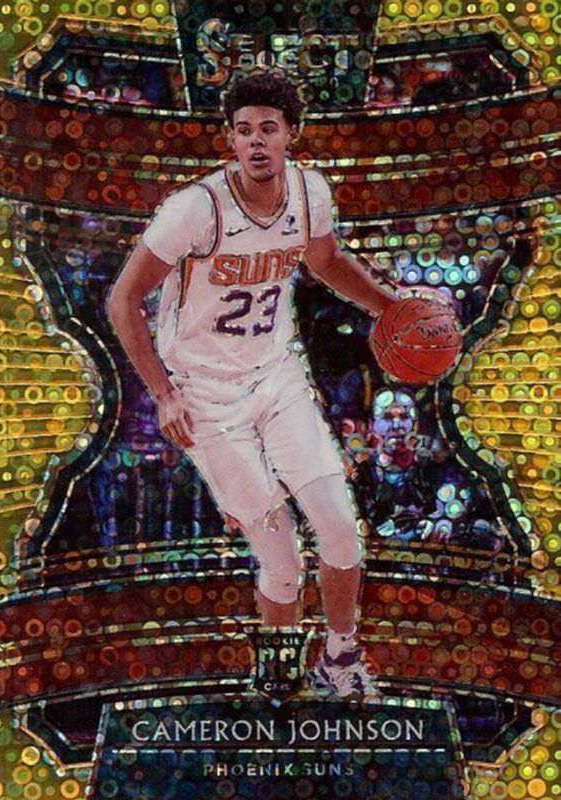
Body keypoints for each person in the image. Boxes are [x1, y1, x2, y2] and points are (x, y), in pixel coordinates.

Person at [108, 72, 398, 697]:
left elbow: (325, 261)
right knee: (282, 554)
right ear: (231, 141)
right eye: (244, 131)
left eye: (268, 129)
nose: (256, 142)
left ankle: (340, 658)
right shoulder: (195, 209)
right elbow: (123, 300)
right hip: (205, 397)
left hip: (277, 376)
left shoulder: (309, 191)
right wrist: (163, 394)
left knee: (340, 527)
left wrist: (389, 308)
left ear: (291, 134)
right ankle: (280, 676)